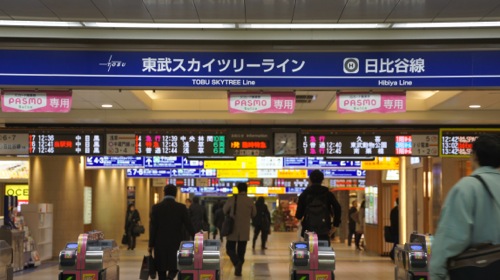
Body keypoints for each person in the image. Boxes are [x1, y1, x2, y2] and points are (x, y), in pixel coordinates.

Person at [429, 134, 500, 280]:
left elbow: (449, 239)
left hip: (477, 271)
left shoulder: (467, 188)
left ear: (474, 156)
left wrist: (437, 274)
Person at [149, 184, 195, 280]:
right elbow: (188, 225)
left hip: (159, 242)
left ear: (164, 193)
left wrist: (150, 244)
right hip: (176, 242)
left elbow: (153, 227)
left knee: (161, 268)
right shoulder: (181, 208)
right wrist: (196, 236)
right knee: (174, 266)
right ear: (175, 194)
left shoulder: (156, 208)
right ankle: (170, 277)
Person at [295, 169, 342, 246]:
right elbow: (338, 208)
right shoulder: (328, 194)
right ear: (322, 180)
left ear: (310, 180)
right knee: (324, 250)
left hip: (308, 228)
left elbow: (298, 215)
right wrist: (335, 224)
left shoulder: (304, 195)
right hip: (324, 228)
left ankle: (312, 257)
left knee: (310, 251)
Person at [223, 182, 256, 277]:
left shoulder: (232, 199)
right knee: (241, 252)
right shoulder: (250, 201)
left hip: (232, 229)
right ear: (246, 190)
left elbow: (224, 210)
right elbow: (254, 214)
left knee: (230, 249)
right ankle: (238, 269)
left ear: (238, 189)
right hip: (244, 231)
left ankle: (237, 263)